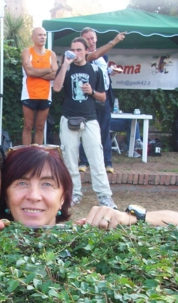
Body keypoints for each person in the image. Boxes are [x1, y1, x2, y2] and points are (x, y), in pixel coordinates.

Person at [0, 145, 178, 229]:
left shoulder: (84, 235)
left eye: (47, 184)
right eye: (22, 183)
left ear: (63, 197)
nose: (34, 196)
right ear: (6, 195)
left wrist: (129, 218)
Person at [53, 37, 117, 209]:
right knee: (70, 159)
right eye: (73, 49)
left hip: (90, 119)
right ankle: (73, 193)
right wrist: (65, 64)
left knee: (97, 158)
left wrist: (92, 91)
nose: (76, 53)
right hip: (68, 118)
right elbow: (57, 88)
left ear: (87, 51)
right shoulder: (65, 67)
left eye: (79, 49)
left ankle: (104, 196)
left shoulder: (95, 69)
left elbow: (103, 97)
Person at [78, 28, 126, 174]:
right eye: (87, 39)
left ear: (96, 38)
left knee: (105, 130)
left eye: (92, 38)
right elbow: (93, 57)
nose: (91, 42)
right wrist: (114, 41)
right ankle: (84, 162)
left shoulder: (104, 57)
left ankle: (107, 162)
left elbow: (101, 73)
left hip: (104, 97)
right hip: (89, 98)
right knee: (86, 130)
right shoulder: (83, 55)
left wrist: (111, 71)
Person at [21, 27, 58, 145]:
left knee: (40, 126)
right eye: (40, 35)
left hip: (45, 94)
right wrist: (48, 69)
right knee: (28, 126)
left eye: (44, 35)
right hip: (29, 93)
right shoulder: (27, 52)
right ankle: (26, 153)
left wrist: (35, 71)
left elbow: (55, 75)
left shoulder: (51, 54)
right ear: (33, 37)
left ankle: (38, 154)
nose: (43, 37)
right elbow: (29, 72)